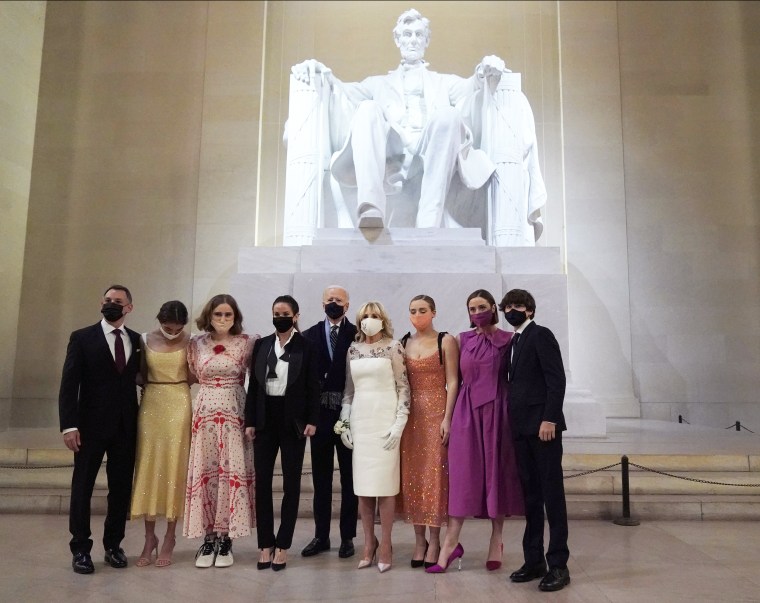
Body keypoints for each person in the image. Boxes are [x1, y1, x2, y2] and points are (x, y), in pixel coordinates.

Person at [291, 8, 507, 228]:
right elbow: (341, 91)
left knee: (448, 115)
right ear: (397, 39)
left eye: (418, 34)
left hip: (431, 153)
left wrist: (484, 70)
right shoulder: (377, 84)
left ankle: (429, 219)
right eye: (407, 34)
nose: (412, 40)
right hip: (392, 152)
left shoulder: (444, 82)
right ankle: (371, 208)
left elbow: (472, 87)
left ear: (427, 40)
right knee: (366, 109)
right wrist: (320, 73)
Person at [427, 289, 523, 574]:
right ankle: (450, 544)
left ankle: (497, 540)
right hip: (466, 413)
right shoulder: (462, 339)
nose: (477, 312)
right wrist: (447, 417)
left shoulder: (509, 340)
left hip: (499, 411)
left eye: (482, 306)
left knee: (496, 475)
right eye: (472, 308)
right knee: (463, 476)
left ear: (494, 308)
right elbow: (453, 381)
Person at [59, 284, 141, 574]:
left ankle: (113, 545)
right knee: (82, 487)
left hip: (125, 429)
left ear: (129, 307)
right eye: (107, 300)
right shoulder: (82, 338)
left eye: (118, 301)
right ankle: (80, 549)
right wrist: (69, 426)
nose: (111, 304)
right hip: (89, 428)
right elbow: (69, 384)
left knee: (120, 490)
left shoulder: (136, 340)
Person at [500, 289, 570, 592]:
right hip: (521, 429)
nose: (512, 311)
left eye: (518, 306)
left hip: (543, 428)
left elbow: (556, 379)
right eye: (508, 307)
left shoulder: (541, 335)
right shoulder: (514, 341)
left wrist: (550, 418)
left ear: (530, 310)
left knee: (552, 496)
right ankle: (534, 560)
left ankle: (558, 564)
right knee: (531, 497)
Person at [245, 295, 320, 572]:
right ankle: (265, 543)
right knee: (263, 482)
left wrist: (312, 420)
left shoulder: (307, 346)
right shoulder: (262, 344)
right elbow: (254, 385)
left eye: (285, 313)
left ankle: (283, 545)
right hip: (265, 420)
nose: (280, 317)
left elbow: (314, 385)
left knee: (291, 484)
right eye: (276, 312)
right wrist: (250, 420)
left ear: (296, 316)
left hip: (293, 422)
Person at [184, 294, 256, 569]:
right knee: (207, 474)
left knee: (230, 474)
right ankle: (208, 537)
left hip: (234, 413)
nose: (223, 319)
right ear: (209, 317)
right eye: (218, 315)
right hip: (204, 417)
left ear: (235, 317)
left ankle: (226, 539)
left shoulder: (247, 343)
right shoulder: (196, 344)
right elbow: (193, 374)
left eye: (228, 315)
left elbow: (256, 380)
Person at [339, 301, 410, 573]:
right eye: (365, 316)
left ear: (383, 319)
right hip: (361, 420)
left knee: (386, 486)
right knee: (364, 488)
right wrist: (344, 422)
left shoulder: (394, 347)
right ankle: (369, 542)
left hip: (386, 418)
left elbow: (403, 387)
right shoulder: (353, 349)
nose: (370, 320)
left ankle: (387, 545)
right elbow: (349, 390)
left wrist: (399, 423)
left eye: (375, 315)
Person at [397, 295, 459, 569]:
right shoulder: (403, 342)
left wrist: (448, 418)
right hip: (411, 418)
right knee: (413, 477)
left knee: (434, 477)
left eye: (422, 310)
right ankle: (419, 539)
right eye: (413, 311)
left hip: (436, 414)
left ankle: (435, 540)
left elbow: (454, 381)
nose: (417, 314)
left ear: (434, 312)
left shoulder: (445, 340)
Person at [130, 300, 192, 568]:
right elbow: (140, 374)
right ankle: (148, 537)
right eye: (167, 326)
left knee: (173, 466)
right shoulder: (144, 339)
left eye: (177, 328)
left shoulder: (192, 341)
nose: (172, 331)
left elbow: (193, 375)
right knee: (148, 465)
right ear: (159, 320)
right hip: (152, 401)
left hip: (179, 399)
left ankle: (169, 537)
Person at [300, 286, 359, 559]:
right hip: (320, 415)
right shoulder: (309, 335)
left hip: (349, 412)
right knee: (321, 479)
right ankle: (321, 535)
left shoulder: (357, 333)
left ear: (347, 305)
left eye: (338, 300)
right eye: (329, 300)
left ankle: (347, 536)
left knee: (349, 477)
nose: (333, 304)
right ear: (322, 304)